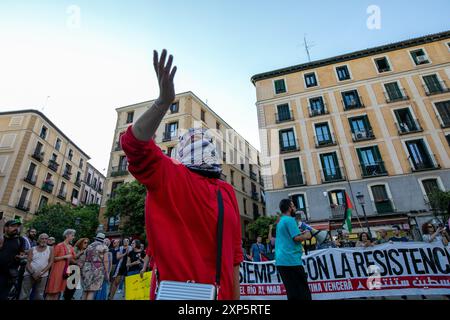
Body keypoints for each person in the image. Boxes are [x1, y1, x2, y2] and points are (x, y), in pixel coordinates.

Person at [121, 49, 243, 300]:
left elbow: (234, 258)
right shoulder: (172, 176)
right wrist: (163, 102)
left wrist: (163, 102)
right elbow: (134, 144)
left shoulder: (174, 176)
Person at [275, 199, 312, 300]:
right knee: (303, 293)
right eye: (294, 206)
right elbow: (296, 238)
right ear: (289, 208)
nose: (295, 208)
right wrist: (307, 235)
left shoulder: (281, 221)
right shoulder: (290, 220)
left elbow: (287, 237)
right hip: (291, 260)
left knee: (292, 292)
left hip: (281, 261)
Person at [20, 233, 53, 300]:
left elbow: (50, 262)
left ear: (47, 240)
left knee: (39, 295)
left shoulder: (50, 249)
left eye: (46, 239)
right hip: (29, 274)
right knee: (24, 294)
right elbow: (28, 263)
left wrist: (41, 273)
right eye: (42, 238)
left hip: (43, 276)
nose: (44, 240)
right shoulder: (32, 249)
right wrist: (33, 273)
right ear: (38, 240)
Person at [45, 229, 76, 300]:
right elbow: (53, 259)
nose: (73, 237)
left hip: (65, 271)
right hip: (57, 270)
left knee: (58, 291)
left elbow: (74, 258)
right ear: (67, 235)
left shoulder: (71, 247)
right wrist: (64, 257)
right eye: (72, 235)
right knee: (52, 291)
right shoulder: (59, 245)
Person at [0, 219, 26, 300]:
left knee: (3, 296)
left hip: (9, 274)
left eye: (17, 226)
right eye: (13, 226)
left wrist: (21, 257)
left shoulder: (20, 240)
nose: (16, 228)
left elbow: (22, 253)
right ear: (6, 228)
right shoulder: (1, 238)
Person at [79, 233, 109, 300]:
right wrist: (107, 272)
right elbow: (106, 260)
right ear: (103, 240)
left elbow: (83, 258)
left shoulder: (89, 246)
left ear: (96, 238)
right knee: (92, 291)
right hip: (97, 269)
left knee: (85, 290)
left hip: (86, 268)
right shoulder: (104, 247)